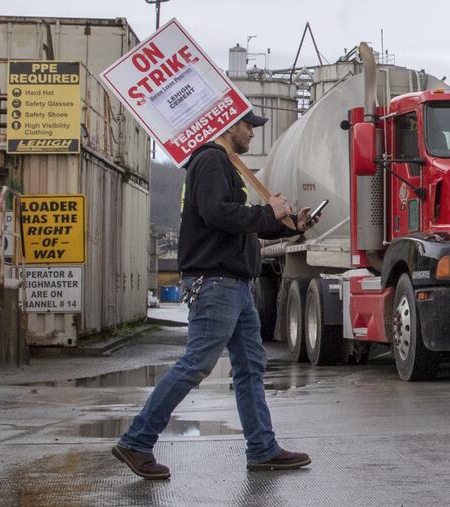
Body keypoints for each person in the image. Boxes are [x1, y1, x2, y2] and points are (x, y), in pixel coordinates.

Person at [112, 110, 315, 479]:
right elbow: (217, 213)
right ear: (228, 126)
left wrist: (289, 225)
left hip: (235, 283)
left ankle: (262, 448)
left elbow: (237, 224)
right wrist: (267, 210)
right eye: (248, 125)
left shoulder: (224, 166)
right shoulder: (210, 160)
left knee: (251, 367)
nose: (253, 133)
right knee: (197, 364)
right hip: (216, 282)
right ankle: (137, 441)